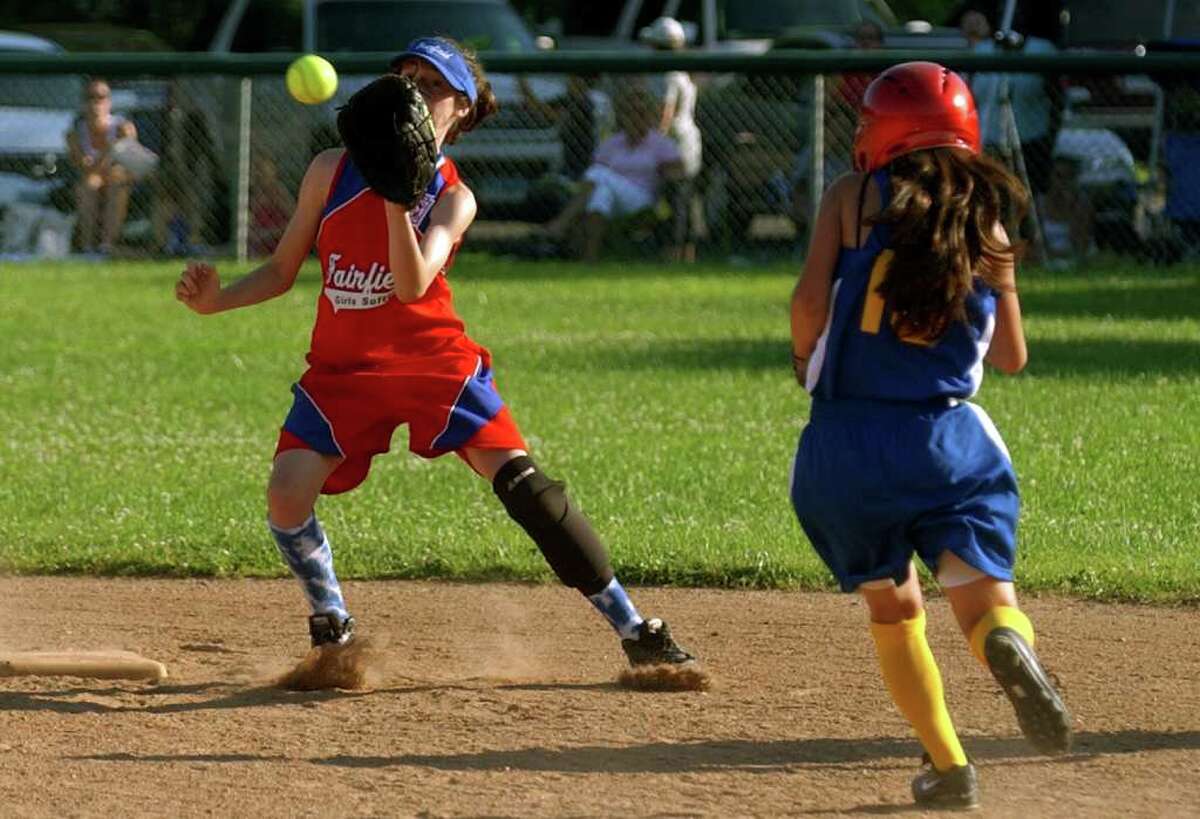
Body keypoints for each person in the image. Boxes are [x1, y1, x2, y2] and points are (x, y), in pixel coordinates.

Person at [175, 37, 696, 675]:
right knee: (287, 494)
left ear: (462, 113)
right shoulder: (329, 170)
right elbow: (283, 271)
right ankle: (332, 626)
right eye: (406, 76)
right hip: (344, 369)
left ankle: (635, 627)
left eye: (432, 85)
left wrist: (398, 197)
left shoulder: (454, 196)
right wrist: (215, 301)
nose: (413, 90)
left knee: (525, 487)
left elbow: (412, 282)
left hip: (432, 362)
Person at [788, 62, 1072, 810]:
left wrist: (802, 358)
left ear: (880, 136)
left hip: (846, 447)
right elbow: (1010, 356)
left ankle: (948, 766)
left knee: (895, 606)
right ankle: (1001, 639)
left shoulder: (849, 200)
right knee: (981, 597)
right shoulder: (989, 228)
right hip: (951, 445)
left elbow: (809, 300)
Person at [543, 86, 683, 261]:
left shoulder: (662, 144)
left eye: (641, 112)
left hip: (643, 199)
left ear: (650, 115)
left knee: (600, 175)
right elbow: (591, 178)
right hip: (614, 199)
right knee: (600, 196)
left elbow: (678, 173)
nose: (635, 117)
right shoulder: (611, 143)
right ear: (622, 116)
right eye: (629, 112)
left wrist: (668, 173)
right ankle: (590, 258)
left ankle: (560, 225)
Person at [641, 16, 702, 262]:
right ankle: (686, 252)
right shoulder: (681, 72)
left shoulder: (666, 74)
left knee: (676, 200)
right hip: (688, 141)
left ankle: (674, 252)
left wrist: (651, 145)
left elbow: (663, 116)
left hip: (675, 144)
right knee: (683, 199)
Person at [65, 78, 138, 254]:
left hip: (120, 177)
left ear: (110, 101)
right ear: (83, 102)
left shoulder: (123, 127)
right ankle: (87, 247)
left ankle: (107, 245)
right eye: (91, 97)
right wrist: (110, 149)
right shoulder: (75, 132)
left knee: (115, 179)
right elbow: (84, 167)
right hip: (92, 178)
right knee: (90, 184)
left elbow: (133, 162)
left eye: (102, 97)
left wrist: (108, 157)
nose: (96, 102)